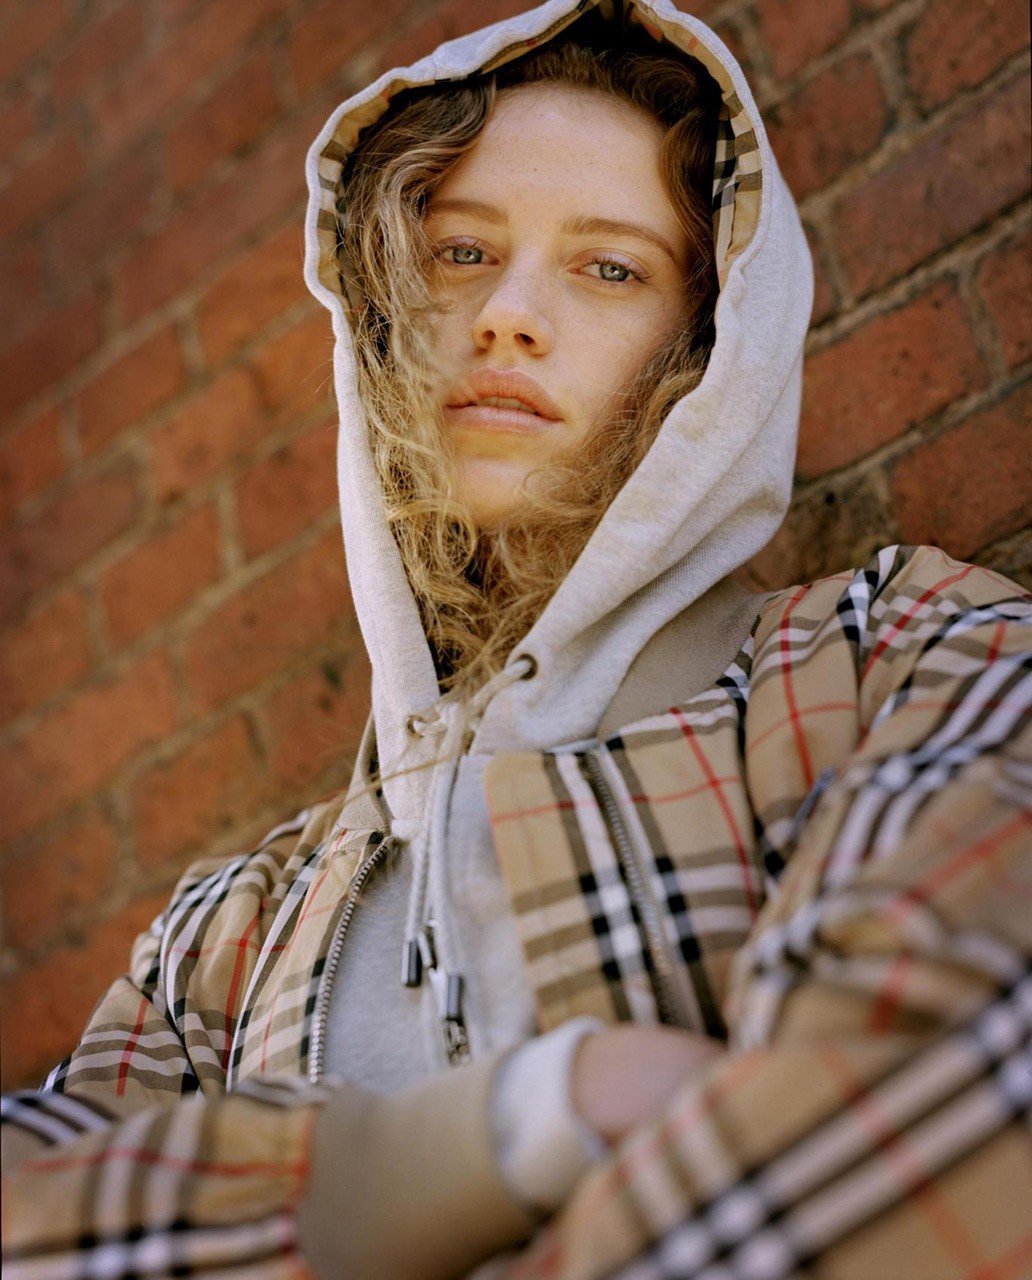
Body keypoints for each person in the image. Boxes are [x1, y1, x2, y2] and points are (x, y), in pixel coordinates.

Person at [3, 2, 1030, 1278]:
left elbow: (936, 1116)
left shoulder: (905, 661)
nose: (509, 314)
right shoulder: (221, 939)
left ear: (710, 347)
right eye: (460, 252)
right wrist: (522, 1120)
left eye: (611, 268)